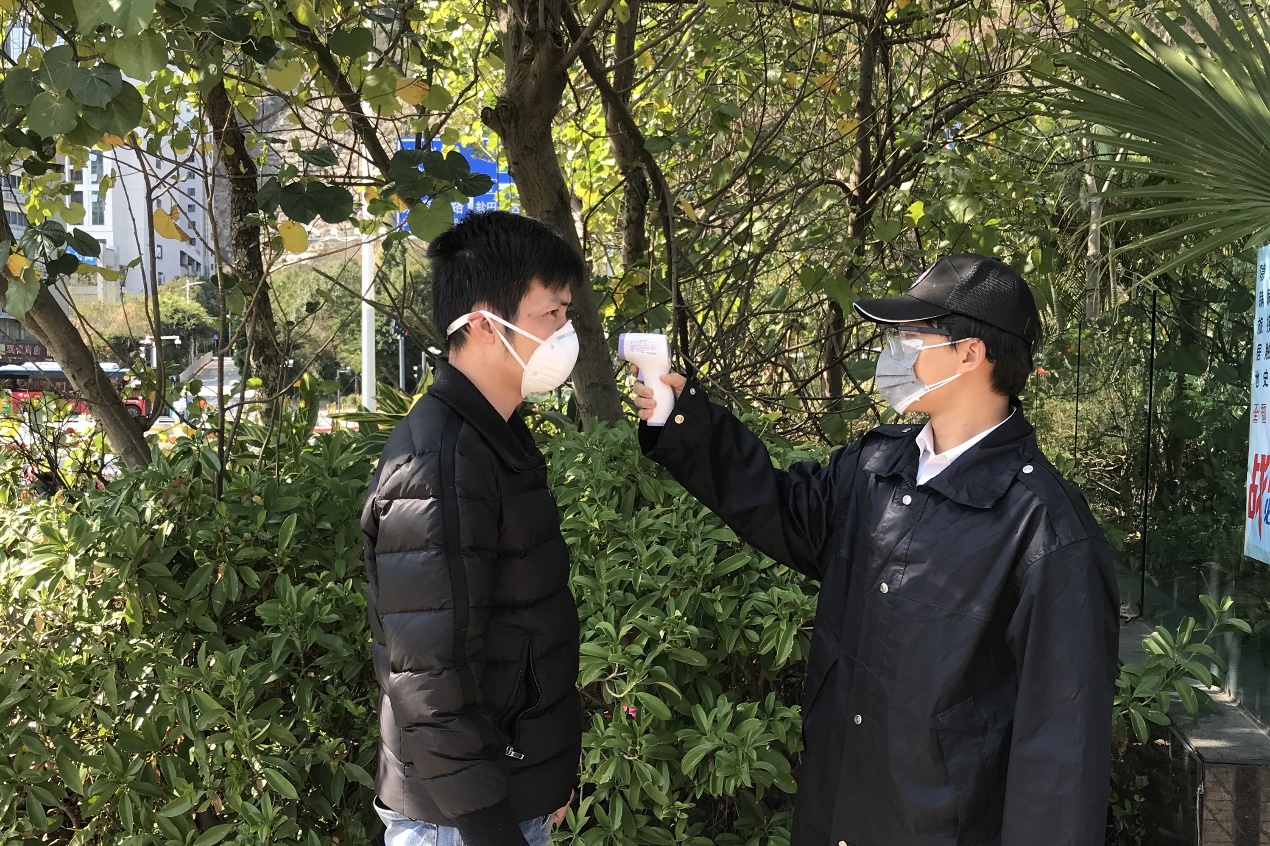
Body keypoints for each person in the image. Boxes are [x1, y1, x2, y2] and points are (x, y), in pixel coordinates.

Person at [631, 253, 1119, 846]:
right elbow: (781, 507)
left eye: (912, 336)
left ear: (971, 353)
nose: (894, 353)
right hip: (836, 812)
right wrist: (683, 419)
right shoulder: (877, 466)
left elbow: (1061, 756)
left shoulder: (1044, 530)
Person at [362, 211, 583, 846]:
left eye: (566, 312)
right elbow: (428, 677)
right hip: (461, 824)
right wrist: (492, 829)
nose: (564, 332)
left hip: (508, 798)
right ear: (486, 323)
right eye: (551, 313)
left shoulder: (496, 437)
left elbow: (524, 630)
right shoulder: (439, 462)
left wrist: (548, 778)